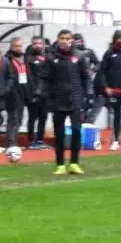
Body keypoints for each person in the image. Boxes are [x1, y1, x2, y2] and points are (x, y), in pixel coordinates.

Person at [45, 29, 91, 175]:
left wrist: (88, 94)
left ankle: (74, 163)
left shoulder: (79, 56)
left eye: (67, 38)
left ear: (71, 40)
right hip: (58, 100)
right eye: (62, 38)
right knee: (59, 134)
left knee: (77, 131)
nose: (64, 41)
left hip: (75, 99)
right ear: (58, 40)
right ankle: (60, 164)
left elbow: (86, 77)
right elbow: (47, 78)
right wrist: (46, 96)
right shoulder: (51, 57)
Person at [3, 36, 29, 148]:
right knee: (13, 119)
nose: (19, 48)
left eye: (20, 46)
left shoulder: (24, 58)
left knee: (19, 119)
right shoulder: (6, 59)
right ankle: (11, 143)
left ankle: (14, 142)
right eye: (16, 46)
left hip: (23, 93)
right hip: (12, 94)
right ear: (11, 46)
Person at [26, 35, 49, 149]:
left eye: (39, 43)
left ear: (43, 44)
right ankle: (31, 140)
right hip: (33, 93)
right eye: (35, 43)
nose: (37, 45)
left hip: (45, 93)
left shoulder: (47, 57)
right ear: (32, 44)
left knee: (43, 117)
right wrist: (33, 91)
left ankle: (40, 139)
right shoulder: (28, 58)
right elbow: (28, 76)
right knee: (32, 117)